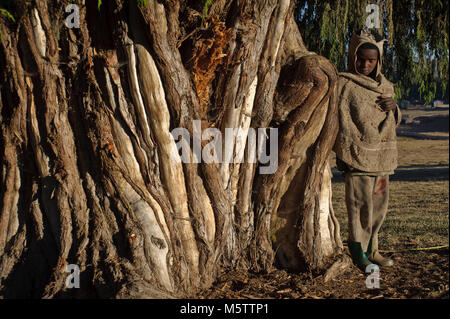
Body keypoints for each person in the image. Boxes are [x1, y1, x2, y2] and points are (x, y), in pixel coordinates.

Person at [333, 29, 401, 270]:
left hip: (383, 157)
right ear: (353, 57)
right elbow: (338, 115)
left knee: (379, 203)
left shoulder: (387, 86)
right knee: (360, 203)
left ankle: (374, 249)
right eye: (360, 59)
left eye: (371, 60)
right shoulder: (344, 83)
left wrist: (394, 108)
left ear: (378, 61)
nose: (365, 64)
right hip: (358, 154)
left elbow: (393, 119)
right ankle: (357, 249)